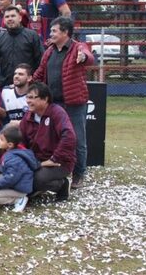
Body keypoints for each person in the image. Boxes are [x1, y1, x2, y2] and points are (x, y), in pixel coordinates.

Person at [33, 17, 93, 189]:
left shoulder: (78, 47)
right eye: (50, 30)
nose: (50, 34)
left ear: (65, 32)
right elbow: (39, 73)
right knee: (53, 139)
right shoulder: (49, 51)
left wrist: (84, 57)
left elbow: (89, 57)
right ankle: (57, 170)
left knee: (78, 140)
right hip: (54, 104)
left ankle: (79, 174)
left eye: (54, 31)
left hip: (74, 104)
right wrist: (29, 83)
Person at [20, 82, 76, 201]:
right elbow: (21, 141)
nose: (29, 101)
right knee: (20, 175)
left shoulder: (57, 112)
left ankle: (62, 185)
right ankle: (34, 189)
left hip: (59, 162)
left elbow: (69, 136)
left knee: (37, 179)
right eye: (28, 97)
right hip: (37, 160)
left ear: (45, 99)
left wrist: (54, 159)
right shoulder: (28, 116)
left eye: (33, 98)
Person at [0, 124, 39, 212]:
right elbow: (5, 166)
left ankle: (19, 199)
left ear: (10, 144)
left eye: (1, 140)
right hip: (16, 183)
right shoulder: (12, 152)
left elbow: (10, 179)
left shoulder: (14, 159)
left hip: (19, 188)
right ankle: (13, 195)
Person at [0, 6, 44, 88]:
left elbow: (41, 61)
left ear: (20, 18)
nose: (10, 19)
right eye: (7, 17)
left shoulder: (32, 35)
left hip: (27, 86)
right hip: (5, 86)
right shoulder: (0, 38)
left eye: (13, 16)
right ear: (4, 20)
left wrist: (35, 80)